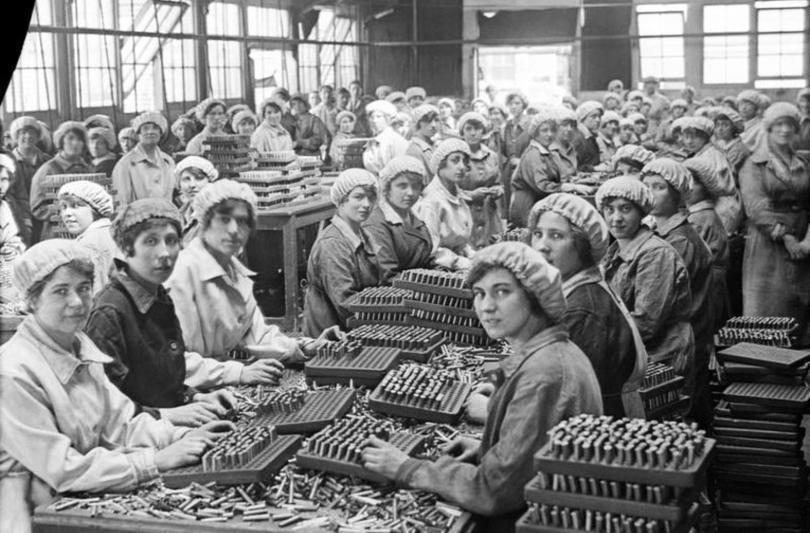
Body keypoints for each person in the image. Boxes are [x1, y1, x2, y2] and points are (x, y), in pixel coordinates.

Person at [362, 242, 603, 533]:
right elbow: (538, 450)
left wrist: (409, 469)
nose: (486, 306)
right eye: (479, 293)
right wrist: (489, 446)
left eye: (502, 292)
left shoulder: (544, 375)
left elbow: (494, 492)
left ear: (535, 296)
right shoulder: (553, 352)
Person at [0, 239, 233, 533]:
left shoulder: (79, 347)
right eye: (61, 291)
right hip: (30, 515)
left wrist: (181, 435)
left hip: (79, 499)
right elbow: (63, 469)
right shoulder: (14, 373)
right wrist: (155, 461)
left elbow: (123, 425)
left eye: (84, 288)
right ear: (31, 300)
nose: (77, 301)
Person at [84, 199, 284, 427]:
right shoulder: (109, 314)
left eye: (171, 241)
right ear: (127, 248)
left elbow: (166, 381)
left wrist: (194, 396)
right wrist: (167, 416)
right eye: (150, 241)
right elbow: (103, 413)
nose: (165, 253)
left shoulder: (159, 297)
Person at [166, 179, 334, 359]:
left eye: (242, 221)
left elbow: (256, 336)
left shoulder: (235, 274)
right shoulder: (180, 275)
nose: (233, 230)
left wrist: (304, 346)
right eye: (224, 219)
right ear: (204, 223)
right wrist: (236, 373)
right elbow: (173, 361)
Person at [527, 193, 646, 418]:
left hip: (600, 428)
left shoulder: (582, 310)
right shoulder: (574, 288)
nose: (542, 246)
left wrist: (492, 410)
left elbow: (564, 400)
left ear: (582, 245)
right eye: (537, 234)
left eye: (556, 235)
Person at [641, 158, 714, 426]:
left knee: (682, 415)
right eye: (646, 186)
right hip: (682, 335)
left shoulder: (679, 240)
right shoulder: (663, 232)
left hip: (681, 339)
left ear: (677, 193)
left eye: (658, 187)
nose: (649, 192)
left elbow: (659, 304)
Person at [597, 176, 694, 375]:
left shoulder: (655, 254)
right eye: (609, 210)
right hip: (632, 354)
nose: (616, 218)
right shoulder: (613, 252)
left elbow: (645, 324)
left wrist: (594, 341)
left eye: (625, 209)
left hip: (660, 359)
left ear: (641, 212)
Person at [739, 102, 810, 345]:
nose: (784, 130)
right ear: (768, 130)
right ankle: (766, 367)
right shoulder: (754, 165)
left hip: (804, 239)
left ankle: (798, 364)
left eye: (789, 125)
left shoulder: (804, 164)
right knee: (769, 302)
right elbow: (756, 207)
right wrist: (786, 236)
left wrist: (807, 240)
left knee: (799, 301)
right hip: (769, 242)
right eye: (778, 125)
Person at [303, 169, 382, 335]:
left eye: (371, 196)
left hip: (358, 328)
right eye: (359, 197)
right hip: (331, 339)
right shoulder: (332, 244)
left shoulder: (363, 235)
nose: (367, 204)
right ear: (341, 200)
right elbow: (346, 304)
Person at [511, 111, 590, 226]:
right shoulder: (534, 154)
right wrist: (569, 186)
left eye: (553, 130)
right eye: (544, 130)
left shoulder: (545, 153)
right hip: (527, 206)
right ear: (535, 133)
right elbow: (542, 186)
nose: (549, 134)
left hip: (537, 203)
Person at [363, 156, 433, 283]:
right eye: (402, 186)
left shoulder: (415, 219)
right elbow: (387, 276)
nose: (410, 193)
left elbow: (426, 261)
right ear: (387, 188)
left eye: (415, 186)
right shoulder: (376, 225)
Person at [414, 139, 475, 270]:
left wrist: (474, 255)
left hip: (458, 265)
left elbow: (460, 242)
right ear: (440, 165)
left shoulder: (457, 197)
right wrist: (465, 263)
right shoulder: (431, 201)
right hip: (439, 271)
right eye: (455, 160)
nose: (462, 166)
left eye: (464, 161)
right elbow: (433, 252)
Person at [684, 157, 730, 333]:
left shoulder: (700, 217)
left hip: (709, 282)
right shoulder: (699, 214)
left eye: (694, 183)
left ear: (706, 188)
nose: (687, 188)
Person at [29, 122, 93, 242]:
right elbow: (37, 208)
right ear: (61, 141)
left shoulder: (88, 169)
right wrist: (67, 211)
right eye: (70, 138)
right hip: (57, 237)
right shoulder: (48, 170)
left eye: (80, 140)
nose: (75, 143)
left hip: (85, 236)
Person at [681, 116, 741, 235]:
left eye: (695, 137)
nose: (689, 141)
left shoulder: (711, 156)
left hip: (721, 207)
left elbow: (717, 187)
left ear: (705, 137)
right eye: (686, 137)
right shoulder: (699, 154)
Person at [56, 181, 116, 292]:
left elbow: (94, 292)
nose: (67, 213)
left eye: (75, 206)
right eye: (64, 207)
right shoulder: (111, 232)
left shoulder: (88, 244)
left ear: (95, 209)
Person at [111, 111, 175, 208]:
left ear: (161, 132)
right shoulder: (125, 164)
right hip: (138, 219)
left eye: (155, 128)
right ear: (138, 133)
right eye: (145, 128)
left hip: (167, 218)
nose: (150, 131)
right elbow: (121, 202)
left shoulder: (168, 161)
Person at [458, 112, 503, 249]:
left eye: (477, 129)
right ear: (462, 131)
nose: (473, 133)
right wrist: (471, 195)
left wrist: (498, 191)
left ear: (483, 131)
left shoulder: (492, 156)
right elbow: (448, 190)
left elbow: (498, 182)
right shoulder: (457, 157)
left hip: (489, 214)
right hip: (465, 214)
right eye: (468, 129)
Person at [7, 117, 51, 245]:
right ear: (16, 136)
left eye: (32, 132)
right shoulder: (6, 163)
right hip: (18, 219)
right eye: (23, 132)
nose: (28, 136)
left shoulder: (48, 161)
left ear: (38, 136)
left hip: (45, 219)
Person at [175, 155, 218, 245]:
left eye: (199, 178)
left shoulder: (217, 216)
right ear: (179, 184)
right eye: (186, 179)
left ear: (209, 182)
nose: (192, 185)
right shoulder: (180, 214)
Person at [0, 154, 25, 303]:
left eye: (4, 179)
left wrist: (12, 248)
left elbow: (12, 238)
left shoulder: (5, 207)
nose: (0, 185)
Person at [362, 100, 409, 175]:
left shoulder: (396, 141)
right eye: (372, 117)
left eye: (378, 117)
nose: (374, 120)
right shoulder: (373, 142)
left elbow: (400, 169)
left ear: (388, 119)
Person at [502, 92, 531, 210]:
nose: (513, 106)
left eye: (517, 103)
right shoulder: (508, 125)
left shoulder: (530, 125)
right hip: (509, 171)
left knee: (522, 204)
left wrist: (522, 160)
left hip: (524, 171)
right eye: (510, 103)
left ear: (524, 105)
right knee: (509, 203)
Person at [710, 106, 749, 178]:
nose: (720, 129)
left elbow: (724, 172)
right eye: (718, 125)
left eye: (725, 125)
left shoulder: (739, 149)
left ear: (734, 128)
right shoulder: (719, 144)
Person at [405, 104, 440, 180]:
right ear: (418, 123)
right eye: (428, 121)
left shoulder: (433, 145)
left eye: (436, 120)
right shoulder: (414, 150)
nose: (433, 125)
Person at [572, 101, 604, 171]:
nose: (598, 120)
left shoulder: (590, 137)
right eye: (593, 116)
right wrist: (595, 168)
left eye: (599, 116)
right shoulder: (578, 138)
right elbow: (576, 167)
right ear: (583, 118)